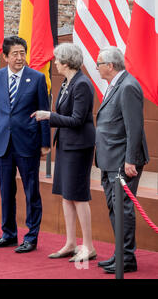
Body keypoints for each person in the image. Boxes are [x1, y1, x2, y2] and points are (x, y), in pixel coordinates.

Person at [31, 43, 96, 262]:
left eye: (58, 59)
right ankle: (70, 242)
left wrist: (49, 116)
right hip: (67, 145)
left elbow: (77, 119)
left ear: (67, 62)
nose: (55, 63)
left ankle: (88, 246)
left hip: (79, 146)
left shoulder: (82, 84)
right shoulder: (68, 82)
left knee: (78, 195)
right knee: (66, 196)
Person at [0, 36, 50, 253]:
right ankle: (8, 234)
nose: (19, 57)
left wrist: (44, 143)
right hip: (3, 143)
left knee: (31, 191)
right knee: (6, 190)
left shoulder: (37, 78)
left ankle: (31, 236)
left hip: (28, 143)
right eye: (15, 53)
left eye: (22, 52)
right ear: (5, 57)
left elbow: (44, 111)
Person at [95, 46, 149, 274]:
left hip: (122, 161)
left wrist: (130, 160)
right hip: (110, 159)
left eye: (99, 64)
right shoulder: (116, 84)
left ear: (110, 65)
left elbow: (134, 127)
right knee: (114, 207)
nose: (96, 68)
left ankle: (126, 257)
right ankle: (120, 253)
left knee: (123, 207)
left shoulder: (127, 86)